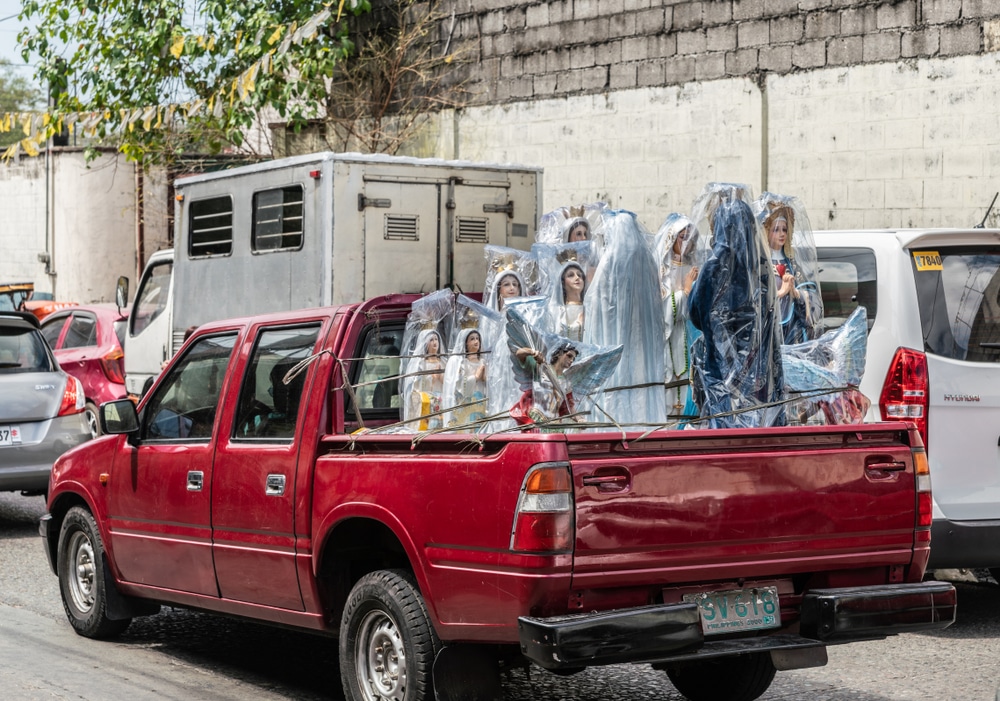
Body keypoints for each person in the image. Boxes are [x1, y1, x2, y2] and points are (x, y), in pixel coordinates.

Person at [688, 197, 785, 428]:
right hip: (759, 370)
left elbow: (694, 312)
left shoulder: (714, 265)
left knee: (725, 437)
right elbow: (771, 315)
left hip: (720, 372)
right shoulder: (761, 265)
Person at [583, 209, 666, 427]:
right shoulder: (647, 260)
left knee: (616, 386)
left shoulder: (609, 260)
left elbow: (596, 304)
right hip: (643, 342)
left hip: (612, 337)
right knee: (641, 381)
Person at [754, 194, 824, 344]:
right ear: (766, 232)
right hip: (768, 334)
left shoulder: (792, 264)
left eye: (784, 229)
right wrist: (780, 293)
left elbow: (813, 299)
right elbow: (753, 301)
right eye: (776, 230)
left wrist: (797, 293)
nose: (781, 234)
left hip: (793, 333)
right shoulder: (760, 265)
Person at [653, 214, 699, 416]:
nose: (686, 242)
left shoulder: (693, 268)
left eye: (690, 237)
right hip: (672, 337)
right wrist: (686, 293)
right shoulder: (663, 271)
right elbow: (662, 310)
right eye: (682, 237)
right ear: (672, 239)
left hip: (691, 334)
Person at [402, 328, 446, 431]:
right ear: (425, 343)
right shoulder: (420, 364)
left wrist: (441, 377)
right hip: (426, 405)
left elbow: (450, 384)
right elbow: (416, 387)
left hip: (442, 404)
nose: (435, 342)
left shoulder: (444, 362)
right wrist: (432, 378)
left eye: (436, 339)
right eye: (431, 340)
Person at [443, 328, 487, 427]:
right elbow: (460, 385)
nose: (476, 341)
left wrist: (486, 378)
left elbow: (488, 383)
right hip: (468, 404)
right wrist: (475, 377)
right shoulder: (462, 363)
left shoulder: (483, 362)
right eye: (472, 339)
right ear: (466, 343)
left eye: (477, 338)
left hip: (482, 401)